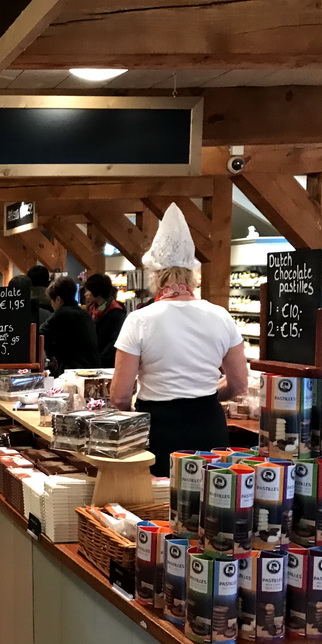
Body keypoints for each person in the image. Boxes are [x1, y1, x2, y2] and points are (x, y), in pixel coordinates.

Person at [110, 203, 248, 477]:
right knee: (212, 503)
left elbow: (119, 395)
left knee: (161, 505)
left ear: (154, 276)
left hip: (159, 427)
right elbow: (239, 384)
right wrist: (201, 394)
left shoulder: (140, 320)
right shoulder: (220, 316)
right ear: (193, 275)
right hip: (208, 424)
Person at [39, 276, 101, 377]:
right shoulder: (85, 314)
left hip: (73, 371)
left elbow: (40, 335)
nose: (51, 304)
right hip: (93, 368)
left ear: (58, 299)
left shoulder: (61, 314)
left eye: (52, 300)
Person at [83, 273, 128, 368]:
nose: (86, 294)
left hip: (108, 363)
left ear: (97, 292)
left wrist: (100, 359)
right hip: (93, 361)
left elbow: (115, 341)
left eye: (89, 290)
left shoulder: (116, 311)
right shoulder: (92, 309)